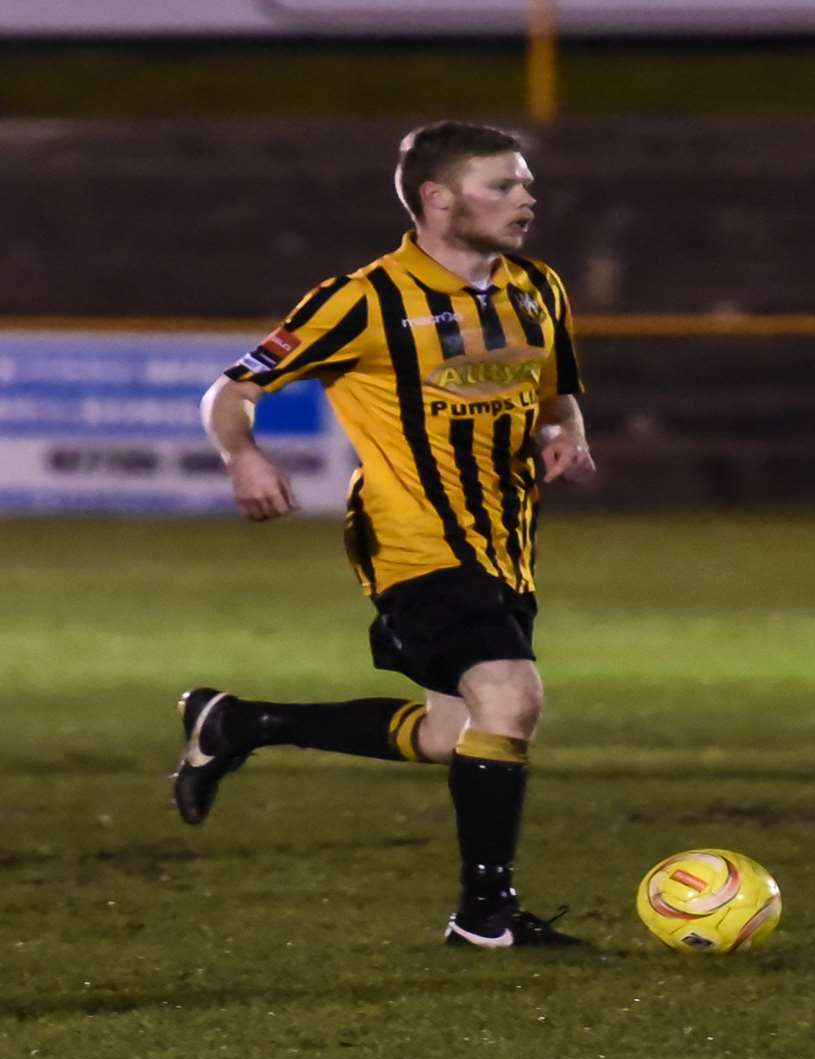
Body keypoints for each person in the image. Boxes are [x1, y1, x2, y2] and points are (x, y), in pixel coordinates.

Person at [171, 120, 594, 949]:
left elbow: (558, 392)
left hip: (504, 542)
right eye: (501, 186)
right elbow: (233, 388)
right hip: (409, 539)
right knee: (511, 695)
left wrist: (566, 432)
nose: (525, 199)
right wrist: (242, 455)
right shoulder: (362, 299)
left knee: (455, 732)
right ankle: (486, 917)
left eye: (524, 184)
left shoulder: (538, 287)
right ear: (438, 199)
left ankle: (238, 724)